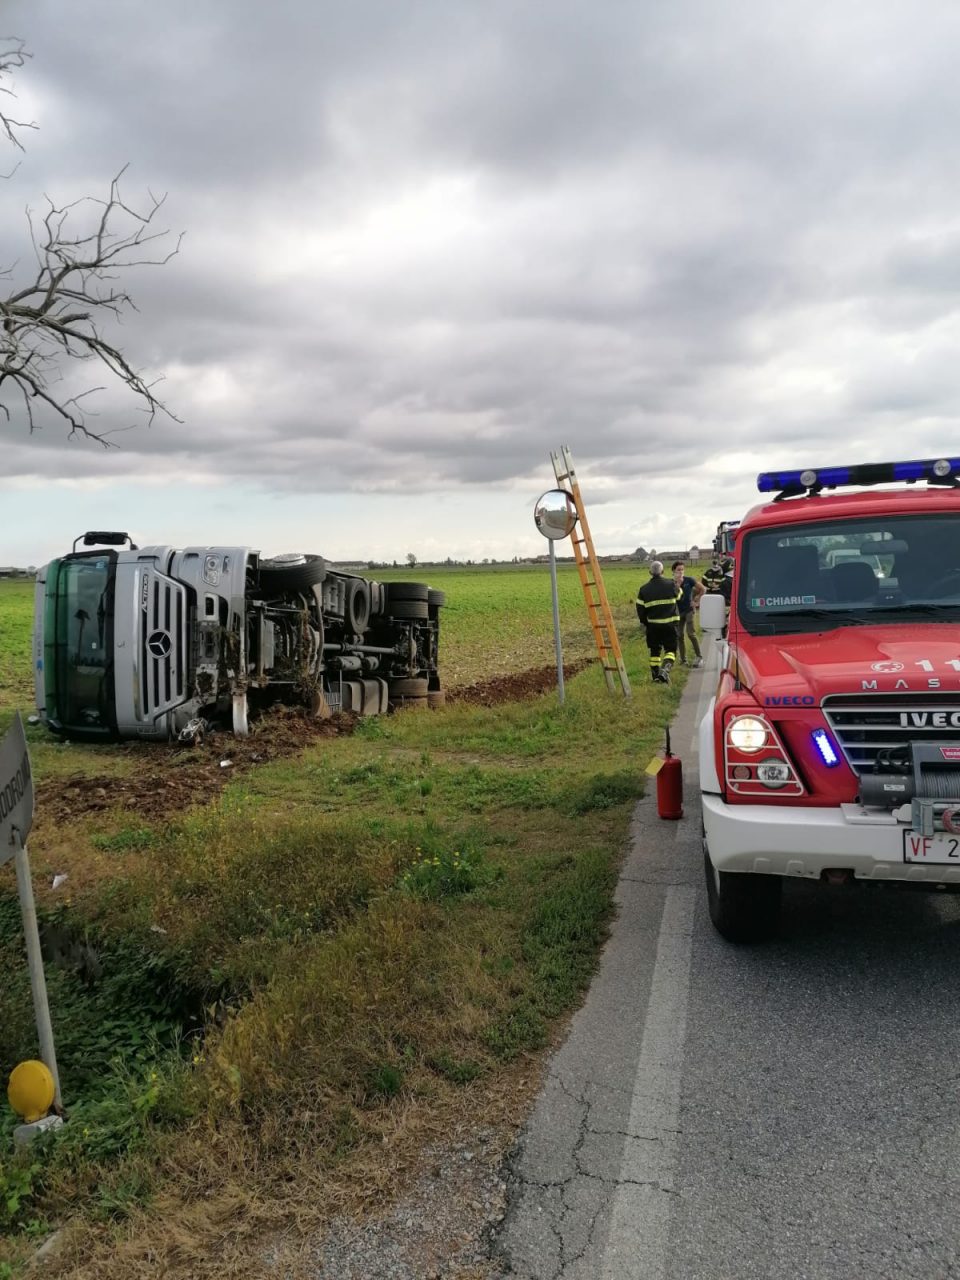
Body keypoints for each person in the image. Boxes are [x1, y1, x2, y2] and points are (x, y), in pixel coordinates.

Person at [636, 560, 681, 683]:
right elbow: (679, 596)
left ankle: (656, 676)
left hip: (653, 626)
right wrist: (678, 585)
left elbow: (640, 609)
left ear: (650, 572)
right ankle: (665, 671)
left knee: (655, 651)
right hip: (670, 625)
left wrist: (646, 623)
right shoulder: (671, 584)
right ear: (663, 571)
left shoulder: (643, 589)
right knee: (671, 650)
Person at [671, 560, 704, 667]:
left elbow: (703, 589)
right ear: (673, 571)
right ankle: (683, 660)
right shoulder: (670, 583)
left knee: (691, 633)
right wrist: (678, 585)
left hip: (689, 610)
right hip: (678, 612)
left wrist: (696, 601)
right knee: (679, 635)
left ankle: (699, 656)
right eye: (678, 570)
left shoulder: (689, 580)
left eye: (682, 570)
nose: (681, 572)